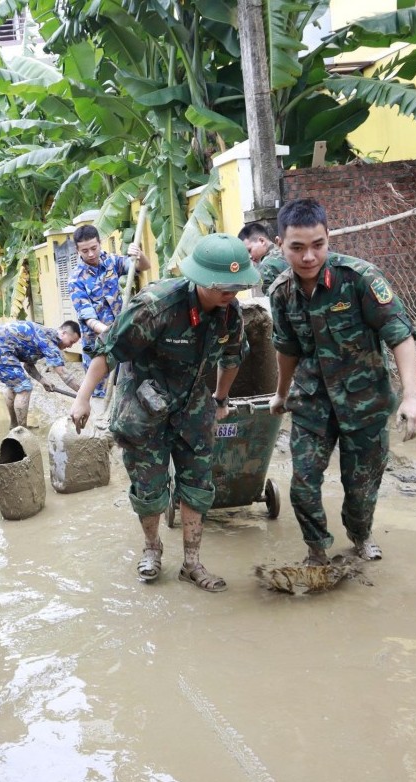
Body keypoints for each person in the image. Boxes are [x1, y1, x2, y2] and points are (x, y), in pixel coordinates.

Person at [70, 233, 256, 593]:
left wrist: (220, 399)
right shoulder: (156, 305)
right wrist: (82, 399)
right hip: (145, 405)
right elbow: (108, 352)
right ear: (201, 278)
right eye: (223, 286)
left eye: (236, 286)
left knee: (198, 484)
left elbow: (233, 358)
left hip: (193, 405)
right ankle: (152, 548)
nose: (230, 293)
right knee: (149, 486)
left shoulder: (230, 313)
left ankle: (191, 562)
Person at [267, 198, 416, 565]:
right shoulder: (280, 293)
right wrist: (281, 394)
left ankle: (360, 535)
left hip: (364, 402)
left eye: (318, 245)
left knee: (362, 486)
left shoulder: (360, 279)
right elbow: (286, 348)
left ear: (329, 237)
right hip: (311, 403)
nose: (309, 256)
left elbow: (400, 336)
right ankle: (317, 550)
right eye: (297, 248)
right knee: (303, 484)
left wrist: (412, 397)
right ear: (280, 245)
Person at [68, 224, 151, 398]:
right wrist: (111, 333)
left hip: (122, 338)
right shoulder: (76, 279)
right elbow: (88, 318)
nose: (90, 254)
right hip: (99, 344)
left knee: (129, 385)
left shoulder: (111, 261)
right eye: (84, 251)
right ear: (77, 250)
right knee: (101, 393)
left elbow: (143, 266)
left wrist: (139, 255)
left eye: (93, 248)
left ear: (100, 243)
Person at [0, 320, 83, 429]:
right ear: (63, 333)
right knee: (24, 388)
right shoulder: (49, 342)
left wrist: (43, 380)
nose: (70, 346)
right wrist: (84, 394)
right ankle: (22, 432)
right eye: (71, 342)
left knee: (14, 386)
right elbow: (64, 374)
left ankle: (15, 426)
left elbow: (28, 366)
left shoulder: (44, 335)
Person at [238, 221, 287, 294]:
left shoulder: (265, 266)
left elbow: (270, 301)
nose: (249, 257)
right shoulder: (287, 252)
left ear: (262, 241)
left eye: (249, 250)